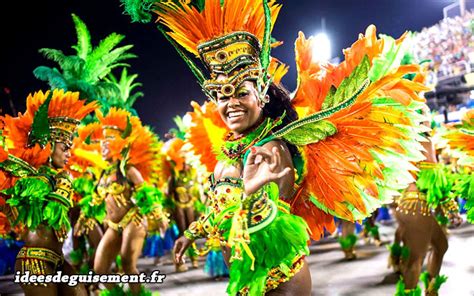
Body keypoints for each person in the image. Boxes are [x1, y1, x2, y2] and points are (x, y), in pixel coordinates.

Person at [122, 0, 431, 294]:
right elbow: (223, 210)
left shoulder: (269, 149)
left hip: (279, 278)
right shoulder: (235, 149)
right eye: (221, 95)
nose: (231, 103)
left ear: (262, 96)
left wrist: (254, 198)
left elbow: (281, 222)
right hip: (247, 276)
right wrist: (193, 232)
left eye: (241, 93)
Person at [0, 89, 98, 296]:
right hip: (35, 261)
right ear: (49, 145)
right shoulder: (28, 179)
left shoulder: (59, 178)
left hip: (58, 260)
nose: (69, 153)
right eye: (65, 148)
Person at [92, 107, 167, 295]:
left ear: (119, 144)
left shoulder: (128, 170)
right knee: (99, 271)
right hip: (113, 226)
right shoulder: (102, 174)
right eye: (101, 142)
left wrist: (158, 217)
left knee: (127, 265)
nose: (103, 145)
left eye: (108, 141)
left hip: (133, 221)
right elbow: (95, 202)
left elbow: (147, 195)